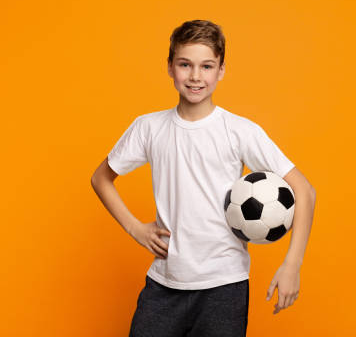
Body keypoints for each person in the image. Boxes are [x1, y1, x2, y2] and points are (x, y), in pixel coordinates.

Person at [90, 19, 317, 337]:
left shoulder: (239, 131)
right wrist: (135, 228)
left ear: (221, 70)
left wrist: (291, 265)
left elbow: (304, 191)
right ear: (170, 67)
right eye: (185, 64)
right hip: (164, 284)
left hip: (224, 287)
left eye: (206, 66)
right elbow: (101, 178)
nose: (196, 76)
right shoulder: (149, 128)